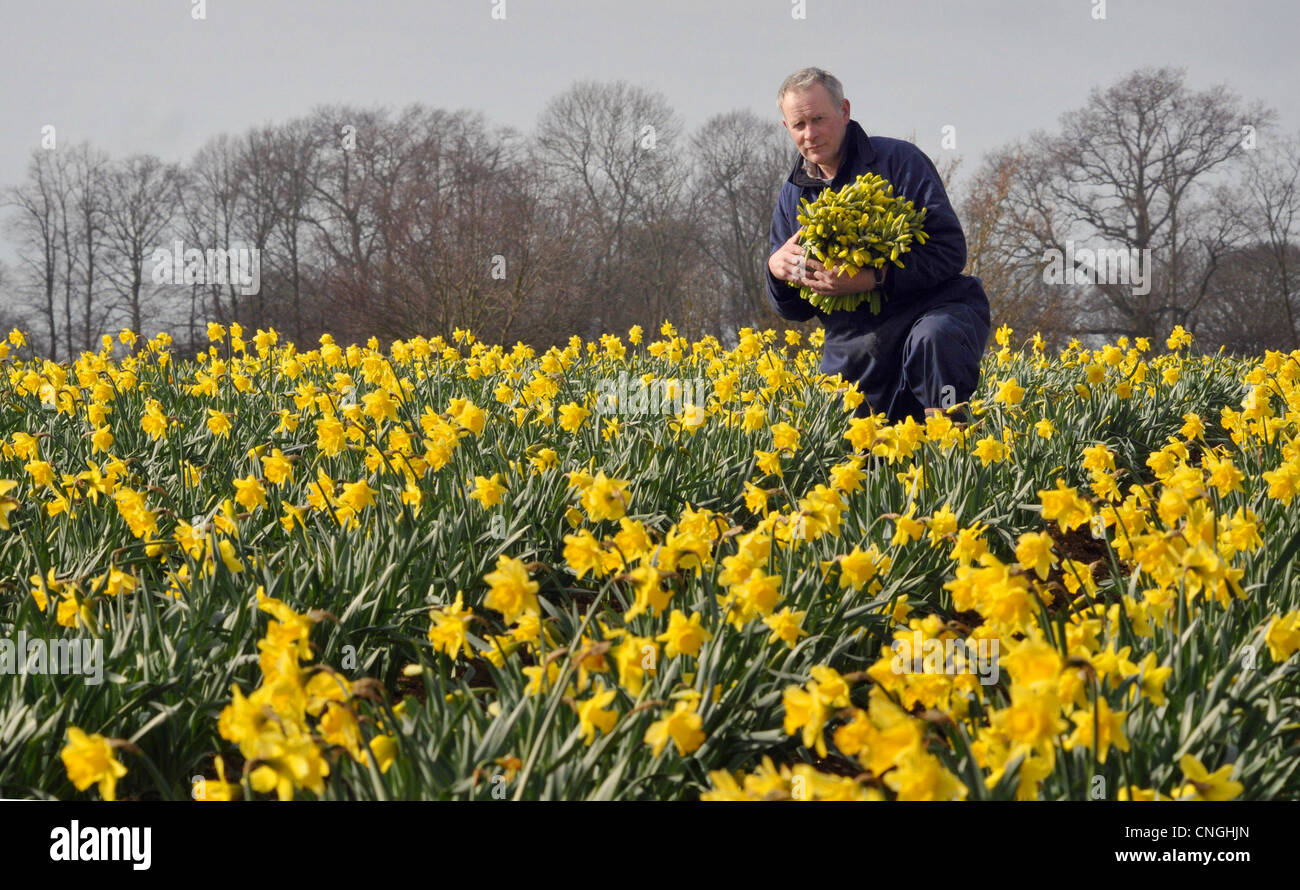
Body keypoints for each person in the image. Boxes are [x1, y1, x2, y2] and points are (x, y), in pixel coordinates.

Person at [765, 67, 991, 424]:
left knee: (935, 341)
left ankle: (952, 452)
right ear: (786, 128)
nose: (810, 134)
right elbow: (794, 310)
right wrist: (777, 271)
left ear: (844, 111)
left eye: (819, 119)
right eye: (799, 125)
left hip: (932, 311)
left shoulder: (900, 162)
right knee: (854, 457)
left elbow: (949, 251)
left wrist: (872, 279)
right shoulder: (793, 195)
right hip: (855, 341)